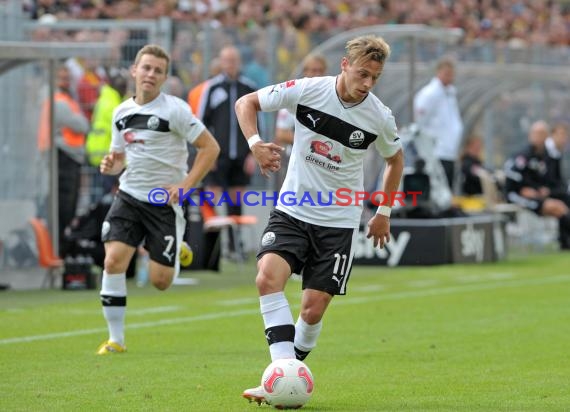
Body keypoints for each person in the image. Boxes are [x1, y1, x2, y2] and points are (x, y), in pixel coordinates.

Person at [234, 35, 404, 404]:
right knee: (267, 278)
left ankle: (283, 378)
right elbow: (245, 102)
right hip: (293, 210)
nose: (367, 84)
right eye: (362, 74)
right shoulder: (309, 90)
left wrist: (384, 211)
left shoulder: (378, 116)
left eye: (374, 77)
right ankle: (282, 375)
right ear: (344, 66)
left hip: (339, 222)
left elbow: (395, 159)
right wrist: (254, 143)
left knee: (312, 309)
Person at [96, 44, 220, 355]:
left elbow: (210, 148)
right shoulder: (121, 112)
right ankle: (116, 340)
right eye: (146, 68)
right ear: (134, 71)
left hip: (162, 201)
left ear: (164, 77)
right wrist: (113, 165)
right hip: (128, 195)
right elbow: (120, 157)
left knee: (161, 282)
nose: (150, 74)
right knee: (113, 261)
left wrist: (187, 185)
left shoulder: (175, 110)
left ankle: (176, 247)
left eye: (158, 70)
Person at [190, 45, 258, 257]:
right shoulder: (211, 88)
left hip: (240, 153)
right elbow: (202, 122)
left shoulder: (249, 87)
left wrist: (252, 152)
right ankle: (211, 249)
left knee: (235, 201)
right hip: (217, 156)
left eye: (234, 60)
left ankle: (234, 246)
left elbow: (257, 121)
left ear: (239, 62)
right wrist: (206, 153)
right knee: (211, 197)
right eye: (226, 60)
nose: (230, 64)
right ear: (221, 62)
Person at [37, 65, 90, 253]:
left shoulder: (65, 98)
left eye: (67, 77)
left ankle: (59, 247)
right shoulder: (58, 100)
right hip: (63, 155)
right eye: (61, 77)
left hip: (67, 156)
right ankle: (58, 248)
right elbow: (81, 125)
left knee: (67, 206)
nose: (65, 81)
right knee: (64, 207)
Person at [504, 120, 570, 250]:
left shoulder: (544, 156)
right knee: (558, 207)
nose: (539, 137)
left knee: (564, 202)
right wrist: (525, 189)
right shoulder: (524, 154)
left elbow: (545, 180)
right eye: (537, 133)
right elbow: (512, 175)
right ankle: (565, 242)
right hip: (516, 195)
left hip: (535, 195)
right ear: (531, 135)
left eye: (542, 134)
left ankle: (564, 241)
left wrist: (542, 189)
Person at [273, 53, 328, 190]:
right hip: (298, 161)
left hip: (325, 163)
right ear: (305, 72)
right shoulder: (295, 97)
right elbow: (281, 133)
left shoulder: (331, 97)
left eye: (320, 71)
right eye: (313, 70)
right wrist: (312, 140)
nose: (317, 74)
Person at [414, 57, 463, 190]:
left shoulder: (450, 93)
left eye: (451, 74)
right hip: (437, 152)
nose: (449, 77)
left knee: (448, 189)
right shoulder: (430, 93)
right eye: (446, 73)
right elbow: (421, 120)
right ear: (438, 72)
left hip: (449, 151)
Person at [85, 68, 129, 202]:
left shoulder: (107, 98)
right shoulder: (113, 104)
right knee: (102, 198)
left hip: (99, 154)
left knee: (99, 195)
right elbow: (122, 133)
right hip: (105, 156)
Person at [545, 122, 569, 197]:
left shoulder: (557, 153)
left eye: (566, 135)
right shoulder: (544, 151)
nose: (564, 138)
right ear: (553, 134)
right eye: (561, 134)